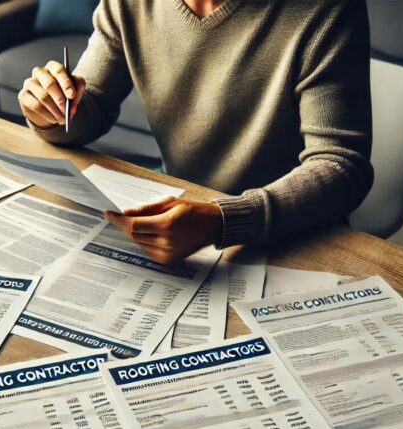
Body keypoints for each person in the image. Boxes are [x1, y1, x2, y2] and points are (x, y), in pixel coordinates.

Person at [19, 0, 373, 264]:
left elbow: (341, 165)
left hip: (296, 238)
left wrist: (221, 221)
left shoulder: (326, 9)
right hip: (179, 222)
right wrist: (49, 111)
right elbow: (87, 107)